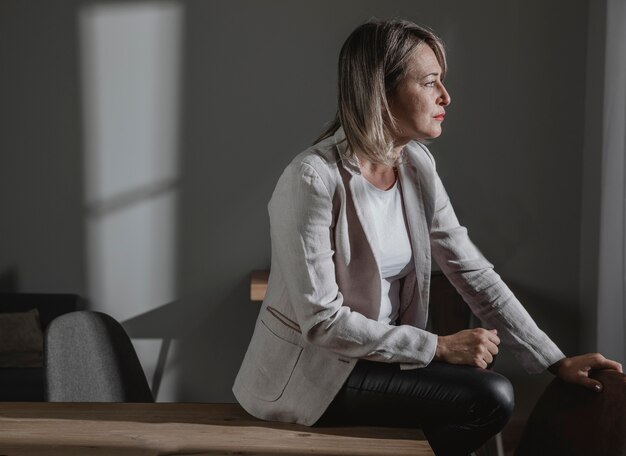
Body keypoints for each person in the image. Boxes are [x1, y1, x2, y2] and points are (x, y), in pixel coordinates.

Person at [233, 18, 622, 456]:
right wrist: (436, 346)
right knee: (490, 396)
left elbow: (471, 270)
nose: (446, 97)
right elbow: (321, 321)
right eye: (430, 82)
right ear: (382, 91)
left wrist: (554, 360)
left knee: (486, 392)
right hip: (316, 374)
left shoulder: (417, 166)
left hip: (381, 359)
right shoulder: (311, 178)